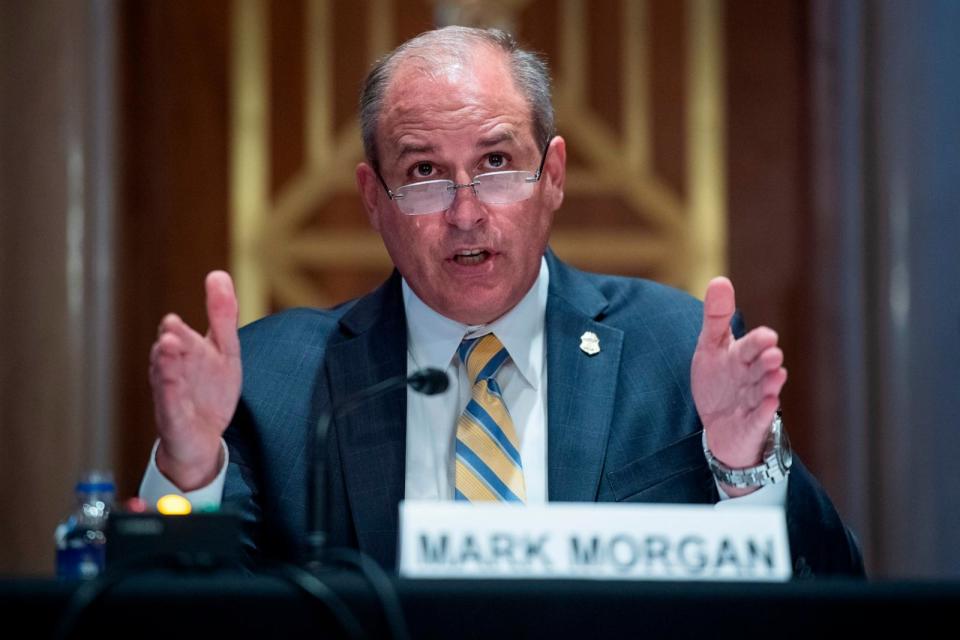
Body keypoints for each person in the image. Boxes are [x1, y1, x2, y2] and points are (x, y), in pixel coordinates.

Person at [141, 26, 864, 576]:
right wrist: (190, 472)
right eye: (424, 171)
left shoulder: (671, 353)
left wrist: (743, 469)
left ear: (552, 174)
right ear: (373, 198)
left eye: (495, 163)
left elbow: (831, 593)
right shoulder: (277, 380)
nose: (465, 212)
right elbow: (170, 614)